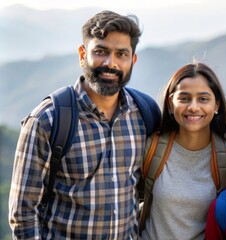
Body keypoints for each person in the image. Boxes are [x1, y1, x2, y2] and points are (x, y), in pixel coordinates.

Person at [9, 10, 159, 239]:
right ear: (82, 53)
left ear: (133, 60)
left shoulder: (145, 114)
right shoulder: (48, 121)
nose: (111, 63)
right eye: (101, 51)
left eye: (121, 54)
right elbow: (23, 214)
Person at [141, 62, 226, 239]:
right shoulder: (152, 148)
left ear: (217, 105)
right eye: (184, 98)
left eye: (203, 99)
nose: (193, 107)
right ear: (170, 103)